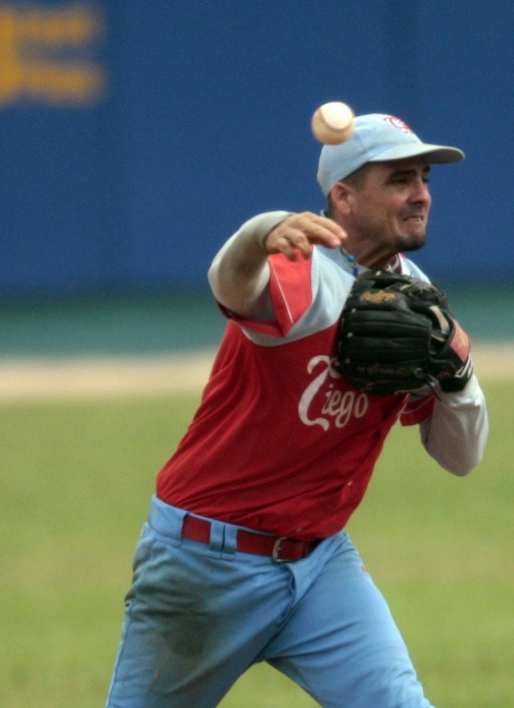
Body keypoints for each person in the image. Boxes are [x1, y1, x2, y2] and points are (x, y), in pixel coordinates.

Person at [106, 114, 489, 706]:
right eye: (399, 179)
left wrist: (458, 378)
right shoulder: (299, 267)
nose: (421, 194)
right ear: (344, 196)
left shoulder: (412, 296)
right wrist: (262, 231)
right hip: (208, 565)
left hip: (322, 565)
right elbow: (230, 286)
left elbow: (461, 458)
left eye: (424, 178)